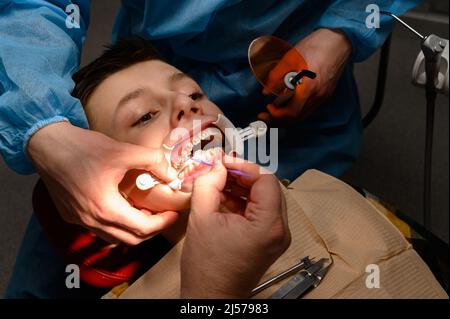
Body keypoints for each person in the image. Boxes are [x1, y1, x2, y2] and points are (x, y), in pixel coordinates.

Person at [1, 1, 420, 297]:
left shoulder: (334, 201)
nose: (188, 105)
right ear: (113, 186)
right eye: (145, 115)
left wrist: (343, 30)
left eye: (195, 94)